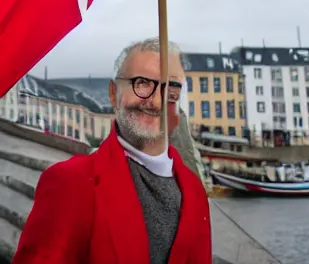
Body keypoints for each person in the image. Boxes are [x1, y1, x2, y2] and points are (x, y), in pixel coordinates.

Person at [12, 38, 212, 264]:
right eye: (142, 83)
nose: (156, 101)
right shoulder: (71, 182)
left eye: (170, 89)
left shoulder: (194, 192)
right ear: (113, 94)